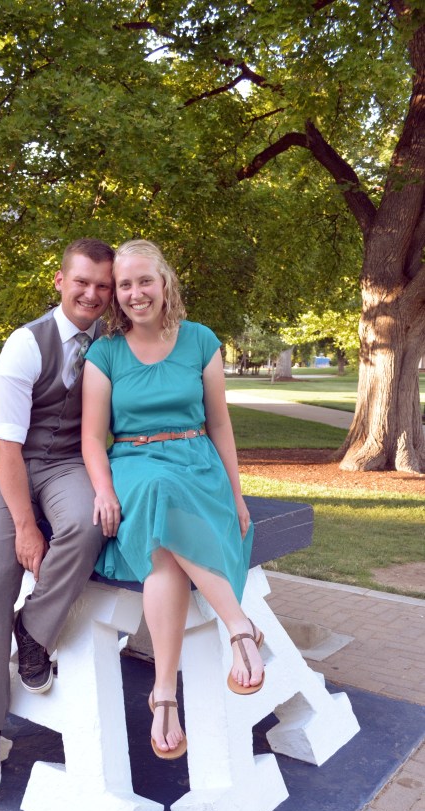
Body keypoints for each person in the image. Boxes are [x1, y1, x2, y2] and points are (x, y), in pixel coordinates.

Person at [81, 239, 264, 761]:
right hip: (135, 465)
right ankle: (240, 626)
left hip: (196, 464)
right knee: (157, 496)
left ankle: (163, 693)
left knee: (162, 554)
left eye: (145, 280)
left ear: (165, 283)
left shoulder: (200, 340)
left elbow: (220, 424)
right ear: (116, 294)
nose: (136, 293)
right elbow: (92, 437)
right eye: (125, 284)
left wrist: (236, 493)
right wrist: (103, 489)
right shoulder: (105, 352)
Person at [0, 238, 115, 797]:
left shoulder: (111, 344)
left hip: (66, 464)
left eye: (102, 286)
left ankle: (32, 631)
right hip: (9, 464)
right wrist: (25, 527)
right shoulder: (26, 344)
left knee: (89, 523)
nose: (92, 294)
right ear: (60, 281)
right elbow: (6, 445)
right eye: (82, 282)